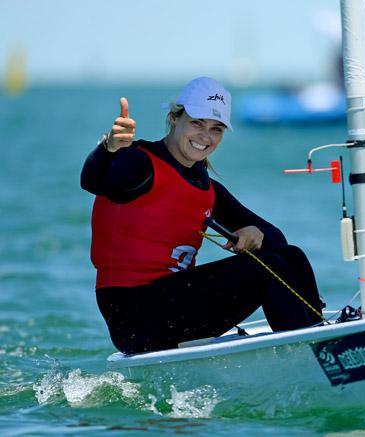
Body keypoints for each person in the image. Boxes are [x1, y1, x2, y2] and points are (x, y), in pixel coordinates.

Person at [81, 77, 324, 354]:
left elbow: (275, 240)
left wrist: (254, 234)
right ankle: (308, 356)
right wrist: (109, 148)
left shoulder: (206, 188)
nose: (205, 137)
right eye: (197, 123)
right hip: (132, 314)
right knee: (270, 269)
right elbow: (94, 181)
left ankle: (319, 338)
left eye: (216, 129)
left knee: (291, 257)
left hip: (170, 306)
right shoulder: (139, 162)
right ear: (174, 118)